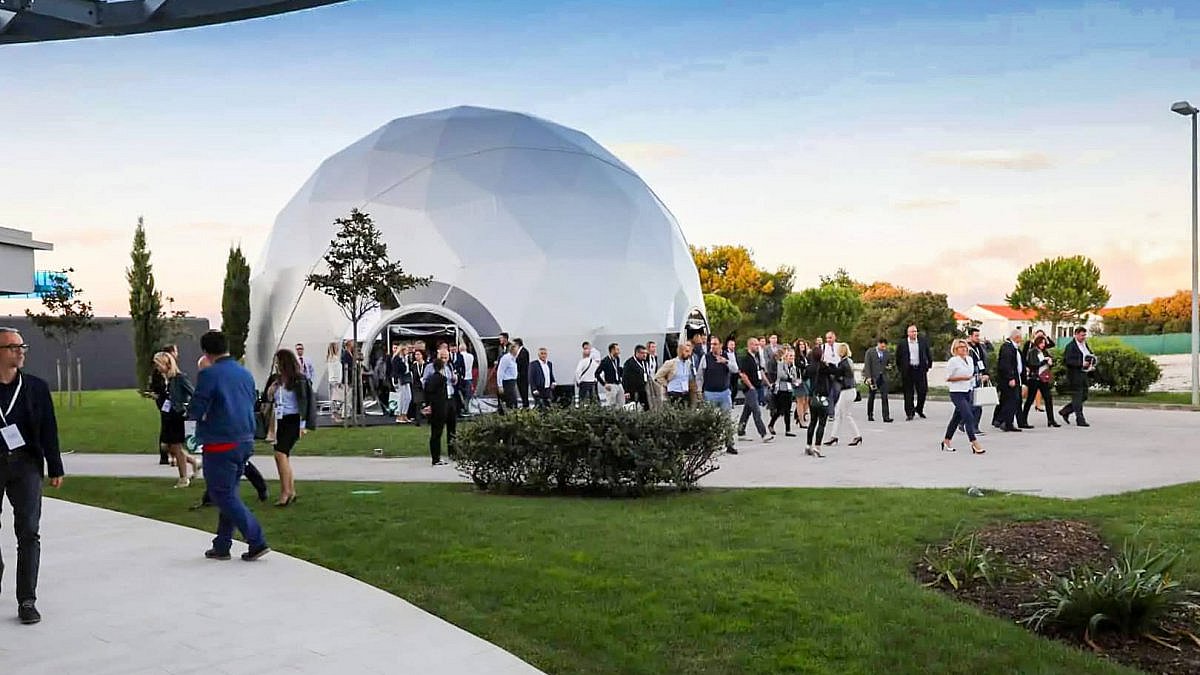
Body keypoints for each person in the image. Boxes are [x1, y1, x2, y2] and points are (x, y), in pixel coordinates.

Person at [0, 327, 64, 624]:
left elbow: (49, 428)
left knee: (28, 531)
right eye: (13, 347)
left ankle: (27, 600)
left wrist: (55, 465)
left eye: (21, 346)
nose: (20, 351)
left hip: (25, 464)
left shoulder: (35, 387)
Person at [188, 330, 269, 562]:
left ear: (206, 352)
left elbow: (196, 409)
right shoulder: (244, 373)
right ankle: (222, 544)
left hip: (220, 441)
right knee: (228, 493)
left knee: (221, 494)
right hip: (245, 439)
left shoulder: (209, 375)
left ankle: (256, 539)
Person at [264, 348, 316, 507]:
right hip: (280, 418)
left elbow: (305, 401)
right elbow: (268, 398)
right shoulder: (277, 379)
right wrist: (271, 391)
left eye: (279, 362)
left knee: (281, 454)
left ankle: (285, 492)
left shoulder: (298, 379)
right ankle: (290, 490)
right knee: (281, 455)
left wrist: (303, 424)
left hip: (293, 419)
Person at [153, 351, 201, 487]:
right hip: (168, 416)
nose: (157, 368)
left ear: (167, 364)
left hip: (177, 417)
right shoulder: (167, 380)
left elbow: (193, 393)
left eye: (159, 364)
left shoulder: (179, 378)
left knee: (176, 447)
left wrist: (186, 408)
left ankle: (183, 478)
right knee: (167, 446)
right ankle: (193, 462)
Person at [941, 339, 985, 454]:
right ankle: (974, 442)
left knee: (956, 418)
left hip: (967, 391)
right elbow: (948, 378)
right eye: (960, 347)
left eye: (965, 346)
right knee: (968, 416)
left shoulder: (969, 360)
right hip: (957, 392)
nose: (964, 349)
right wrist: (962, 378)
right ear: (955, 349)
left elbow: (970, 375)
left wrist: (978, 378)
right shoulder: (953, 361)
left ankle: (947, 440)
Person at [697, 335, 738, 454]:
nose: (712, 346)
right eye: (711, 344)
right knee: (709, 420)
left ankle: (729, 443)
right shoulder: (706, 358)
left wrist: (725, 361)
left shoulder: (727, 356)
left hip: (724, 393)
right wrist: (700, 391)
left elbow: (735, 369)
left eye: (715, 344)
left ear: (720, 345)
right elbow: (699, 375)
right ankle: (708, 445)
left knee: (727, 420)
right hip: (710, 393)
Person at [422, 345, 459, 464]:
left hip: (450, 398)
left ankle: (453, 452)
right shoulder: (430, 368)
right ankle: (436, 457)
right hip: (439, 401)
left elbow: (451, 381)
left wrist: (454, 379)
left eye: (446, 357)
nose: (444, 359)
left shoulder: (449, 367)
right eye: (442, 357)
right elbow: (426, 384)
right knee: (437, 429)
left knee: (452, 428)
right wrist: (428, 403)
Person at [735, 338, 773, 443]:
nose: (757, 346)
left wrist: (768, 383)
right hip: (750, 389)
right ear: (750, 345)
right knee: (756, 411)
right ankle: (763, 433)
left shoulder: (756, 357)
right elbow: (742, 374)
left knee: (746, 411)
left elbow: (760, 371)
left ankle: (740, 431)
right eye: (755, 345)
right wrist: (750, 386)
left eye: (758, 345)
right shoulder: (746, 359)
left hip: (757, 386)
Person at [825, 343, 863, 446]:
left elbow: (837, 373)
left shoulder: (843, 363)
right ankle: (834, 436)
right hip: (850, 390)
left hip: (846, 391)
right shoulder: (848, 361)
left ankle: (857, 435)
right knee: (839, 413)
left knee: (845, 414)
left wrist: (829, 366)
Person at [1021, 334, 1061, 428]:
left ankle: (1051, 420)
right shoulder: (1033, 351)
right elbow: (1033, 364)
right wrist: (1044, 360)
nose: (1043, 344)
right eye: (1041, 343)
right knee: (1030, 399)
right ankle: (1023, 419)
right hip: (1035, 378)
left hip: (1044, 377)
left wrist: (1050, 362)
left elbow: (1049, 362)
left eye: (1044, 343)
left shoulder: (1044, 352)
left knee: (1048, 398)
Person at [1060, 326, 1096, 427]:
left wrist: (1091, 363)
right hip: (1074, 375)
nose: (1083, 337)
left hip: (1084, 373)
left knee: (1084, 396)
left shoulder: (1085, 345)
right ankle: (1080, 419)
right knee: (1077, 396)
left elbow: (1089, 355)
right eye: (1081, 335)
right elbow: (1067, 361)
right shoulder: (1071, 346)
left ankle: (1065, 410)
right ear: (1076, 334)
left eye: (1085, 335)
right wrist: (1081, 363)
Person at [895, 324, 932, 420]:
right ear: (908, 333)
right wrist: (901, 369)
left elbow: (928, 353)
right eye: (912, 331)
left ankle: (919, 409)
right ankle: (909, 413)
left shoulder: (922, 342)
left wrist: (928, 365)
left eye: (915, 331)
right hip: (908, 370)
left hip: (920, 369)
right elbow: (898, 358)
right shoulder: (902, 344)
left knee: (923, 391)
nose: (914, 333)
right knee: (908, 393)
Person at [803, 347, 832, 457]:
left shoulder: (809, 367)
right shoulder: (824, 366)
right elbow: (834, 373)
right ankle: (817, 446)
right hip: (823, 397)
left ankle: (808, 445)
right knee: (822, 423)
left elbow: (804, 378)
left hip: (813, 397)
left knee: (813, 421)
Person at [995, 329, 1025, 432]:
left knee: (1013, 400)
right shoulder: (1007, 348)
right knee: (1012, 400)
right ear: (1016, 337)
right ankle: (1005, 422)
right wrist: (1010, 377)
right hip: (1009, 380)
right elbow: (1006, 364)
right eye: (1020, 337)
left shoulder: (1014, 348)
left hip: (1016, 378)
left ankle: (1006, 422)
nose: (1021, 339)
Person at [768, 347, 798, 437]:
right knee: (780, 409)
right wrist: (790, 378)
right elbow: (781, 375)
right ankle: (771, 424)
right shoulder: (781, 364)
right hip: (781, 388)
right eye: (790, 356)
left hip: (788, 388)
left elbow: (795, 377)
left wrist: (791, 378)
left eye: (793, 356)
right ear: (786, 356)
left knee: (787, 409)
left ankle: (788, 430)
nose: (791, 358)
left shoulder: (793, 366)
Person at [862, 338, 893, 423]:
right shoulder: (870, 352)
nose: (883, 348)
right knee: (871, 396)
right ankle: (870, 414)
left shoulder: (886, 353)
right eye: (882, 346)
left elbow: (888, 363)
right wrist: (868, 377)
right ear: (878, 344)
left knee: (885, 397)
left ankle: (886, 416)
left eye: (884, 347)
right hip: (873, 377)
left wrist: (889, 367)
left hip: (883, 377)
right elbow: (867, 365)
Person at [654, 342, 694, 407]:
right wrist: (667, 384)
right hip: (674, 392)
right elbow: (658, 376)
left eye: (689, 351)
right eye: (686, 351)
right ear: (681, 351)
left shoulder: (688, 363)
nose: (689, 354)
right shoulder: (671, 363)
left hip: (685, 392)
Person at [596, 343, 625, 408]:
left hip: (618, 384)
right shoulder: (605, 361)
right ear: (612, 350)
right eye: (617, 350)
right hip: (611, 385)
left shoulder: (617, 359)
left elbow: (617, 370)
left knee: (621, 403)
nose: (619, 352)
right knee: (611, 404)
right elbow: (597, 374)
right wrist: (604, 384)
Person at [389, 343, 412, 424]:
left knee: (408, 397)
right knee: (401, 397)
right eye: (406, 350)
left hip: (405, 378)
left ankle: (404, 414)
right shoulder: (396, 359)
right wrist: (395, 381)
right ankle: (399, 416)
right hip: (399, 379)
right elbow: (396, 370)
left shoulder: (405, 358)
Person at [623, 345, 650, 410]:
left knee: (646, 406)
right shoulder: (629, 363)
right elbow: (625, 377)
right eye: (643, 353)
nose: (645, 355)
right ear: (637, 353)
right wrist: (626, 391)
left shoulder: (645, 362)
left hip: (643, 389)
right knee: (632, 407)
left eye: (645, 353)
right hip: (633, 390)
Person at [791, 340, 810, 428]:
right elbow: (799, 366)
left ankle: (801, 415)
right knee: (800, 400)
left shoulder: (805, 356)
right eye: (800, 344)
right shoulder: (796, 357)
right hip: (798, 380)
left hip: (805, 379)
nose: (802, 346)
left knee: (807, 399)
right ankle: (801, 420)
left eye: (803, 344)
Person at [496, 343, 519, 413]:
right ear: (512, 350)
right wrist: (500, 385)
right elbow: (500, 371)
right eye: (517, 349)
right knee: (510, 400)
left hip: (512, 382)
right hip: (507, 382)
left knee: (513, 400)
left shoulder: (514, 358)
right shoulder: (506, 358)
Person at [325, 342, 344, 424]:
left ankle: (334, 413)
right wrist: (339, 381)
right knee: (338, 399)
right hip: (335, 380)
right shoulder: (335, 359)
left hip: (331, 380)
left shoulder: (329, 358)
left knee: (333, 399)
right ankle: (336, 415)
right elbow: (338, 371)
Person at [514, 338, 531, 408]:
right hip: (520, 376)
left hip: (523, 376)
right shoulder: (519, 352)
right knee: (521, 391)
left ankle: (526, 406)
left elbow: (522, 364)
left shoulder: (524, 352)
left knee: (524, 392)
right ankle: (525, 405)